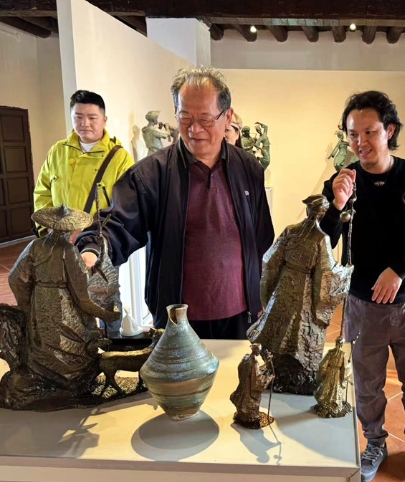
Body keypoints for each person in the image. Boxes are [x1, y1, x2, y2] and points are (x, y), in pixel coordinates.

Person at [76, 67, 275, 337]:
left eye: (205, 119)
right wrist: (92, 250)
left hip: (241, 314)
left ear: (227, 117)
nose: (194, 129)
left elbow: (261, 238)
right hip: (177, 319)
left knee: (238, 366)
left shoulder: (248, 168)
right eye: (185, 117)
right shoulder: (152, 174)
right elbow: (118, 224)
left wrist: (259, 296)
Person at [320, 91, 405, 482]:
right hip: (362, 307)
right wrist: (337, 205)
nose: (360, 142)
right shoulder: (342, 182)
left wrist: (399, 270)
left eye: (369, 132)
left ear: (389, 131)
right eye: (353, 134)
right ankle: (374, 441)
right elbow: (323, 240)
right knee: (367, 384)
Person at [2, 205, 118, 408]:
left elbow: (16, 278)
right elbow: (81, 294)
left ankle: (45, 380)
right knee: (69, 341)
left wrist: (27, 303)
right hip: (64, 305)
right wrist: (104, 312)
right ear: (72, 230)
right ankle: (69, 385)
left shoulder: (34, 246)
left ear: (49, 226)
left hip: (40, 300)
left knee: (42, 341)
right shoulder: (68, 251)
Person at [247, 195, 352, 395]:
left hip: (283, 285)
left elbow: (270, 261)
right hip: (304, 290)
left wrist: (269, 291)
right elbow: (326, 272)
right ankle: (292, 372)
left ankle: (281, 369)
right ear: (322, 214)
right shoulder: (320, 238)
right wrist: (345, 273)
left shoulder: (291, 231)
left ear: (307, 211)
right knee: (303, 330)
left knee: (279, 324)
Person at [33, 90, 135, 238]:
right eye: (78, 117)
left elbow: (126, 207)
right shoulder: (57, 151)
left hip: (97, 242)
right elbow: (42, 193)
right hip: (58, 240)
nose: (85, 123)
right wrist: (49, 228)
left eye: (92, 117)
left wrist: (91, 233)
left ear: (104, 120)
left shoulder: (120, 159)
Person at [230, 343, 275, 428]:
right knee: (250, 406)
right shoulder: (254, 363)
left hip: (244, 388)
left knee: (243, 402)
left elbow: (251, 371)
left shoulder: (246, 358)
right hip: (250, 391)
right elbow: (257, 381)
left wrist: (267, 364)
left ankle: (242, 417)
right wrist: (269, 378)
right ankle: (251, 420)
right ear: (258, 351)